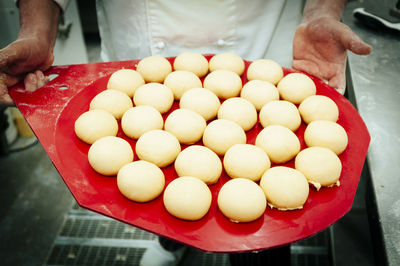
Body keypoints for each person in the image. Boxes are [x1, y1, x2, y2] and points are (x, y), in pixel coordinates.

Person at [0, 0, 372, 265]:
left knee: (264, 223)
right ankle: (170, 242)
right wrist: (35, 31)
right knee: (162, 184)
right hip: (142, 70)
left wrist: (323, 11)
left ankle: (263, 250)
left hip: (264, 59)